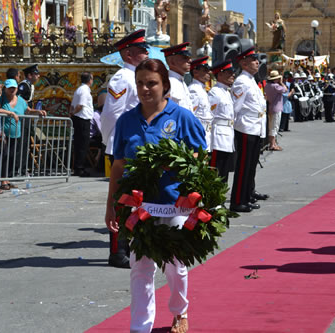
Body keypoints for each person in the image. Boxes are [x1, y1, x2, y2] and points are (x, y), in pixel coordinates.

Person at [105, 58, 206, 333]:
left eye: (151, 83)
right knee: (140, 267)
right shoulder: (126, 121)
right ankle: (140, 326)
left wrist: (183, 175)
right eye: (140, 83)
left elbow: (200, 158)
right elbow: (118, 165)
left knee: (175, 266)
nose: (145, 89)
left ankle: (179, 312)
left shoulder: (182, 118)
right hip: (139, 207)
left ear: (165, 85)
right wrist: (111, 206)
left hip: (175, 206)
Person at [100, 29, 149, 269]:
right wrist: (114, 142)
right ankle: (117, 251)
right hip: (123, 146)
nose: (146, 51)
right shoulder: (122, 77)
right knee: (121, 199)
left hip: (136, 145)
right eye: (141, 49)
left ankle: (130, 246)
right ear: (128, 53)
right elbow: (111, 115)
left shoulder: (138, 77)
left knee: (136, 198)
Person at [230, 47, 268, 213]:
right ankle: (238, 200)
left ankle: (246, 196)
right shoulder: (241, 82)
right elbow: (235, 108)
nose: (257, 62)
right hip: (245, 127)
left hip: (255, 126)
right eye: (253, 60)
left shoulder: (251, 80)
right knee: (243, 166)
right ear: (244, 63)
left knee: (251, 165)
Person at [0, 79, 46, 190]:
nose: (12, 90)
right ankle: (2, 180)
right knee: (4, 156)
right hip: (4, 134)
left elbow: (28, 111)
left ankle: (8, 179)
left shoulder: (21, 100)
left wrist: (38, 112)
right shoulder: (1, 100)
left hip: (17, 133)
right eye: (9, 88)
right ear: (5, 89)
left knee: (12, 157)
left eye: (14, 88)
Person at [208, 60, 236, 183]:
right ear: (220, 75)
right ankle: (214, 200)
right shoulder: (215, 92)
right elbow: (210, 115)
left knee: (224, 170)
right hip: (218, 136)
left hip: (228, 134)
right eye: (229, 73)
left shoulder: (226, 92)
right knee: (216, 170)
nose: (233, 75)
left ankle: (220, 198)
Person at [70, 72, 94, 177]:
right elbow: (80, 105)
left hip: (78, 118)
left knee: (79, 144)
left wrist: (71, 114)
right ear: (90, 80)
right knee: (83, 144)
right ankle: (80, 168)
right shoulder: (84, 91)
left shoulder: (78, 89)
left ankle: (77, 167)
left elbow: (72, 105)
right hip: (82, 118)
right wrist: (73, 113)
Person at [188, 56, 212, 149]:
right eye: (205, 70)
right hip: (198, 135)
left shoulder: (201, 89)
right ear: (195, 72)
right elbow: (191, 115)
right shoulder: (194, 90)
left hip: (205, 134)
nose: (209, 72)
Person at [162, 42, 193, 111]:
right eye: (184, 58)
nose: (190, 61)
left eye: (189, 58)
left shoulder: (181, 81)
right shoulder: (169, 82)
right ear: (172, 62)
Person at [265, 70, 287, 151]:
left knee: (272, 126)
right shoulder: (276, 86)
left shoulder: (267, 85)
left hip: (271, 107)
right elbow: (285, 89)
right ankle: (272, 144)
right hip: (277, 108)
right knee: (274, 126)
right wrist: (281, 83)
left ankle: (273, 143)